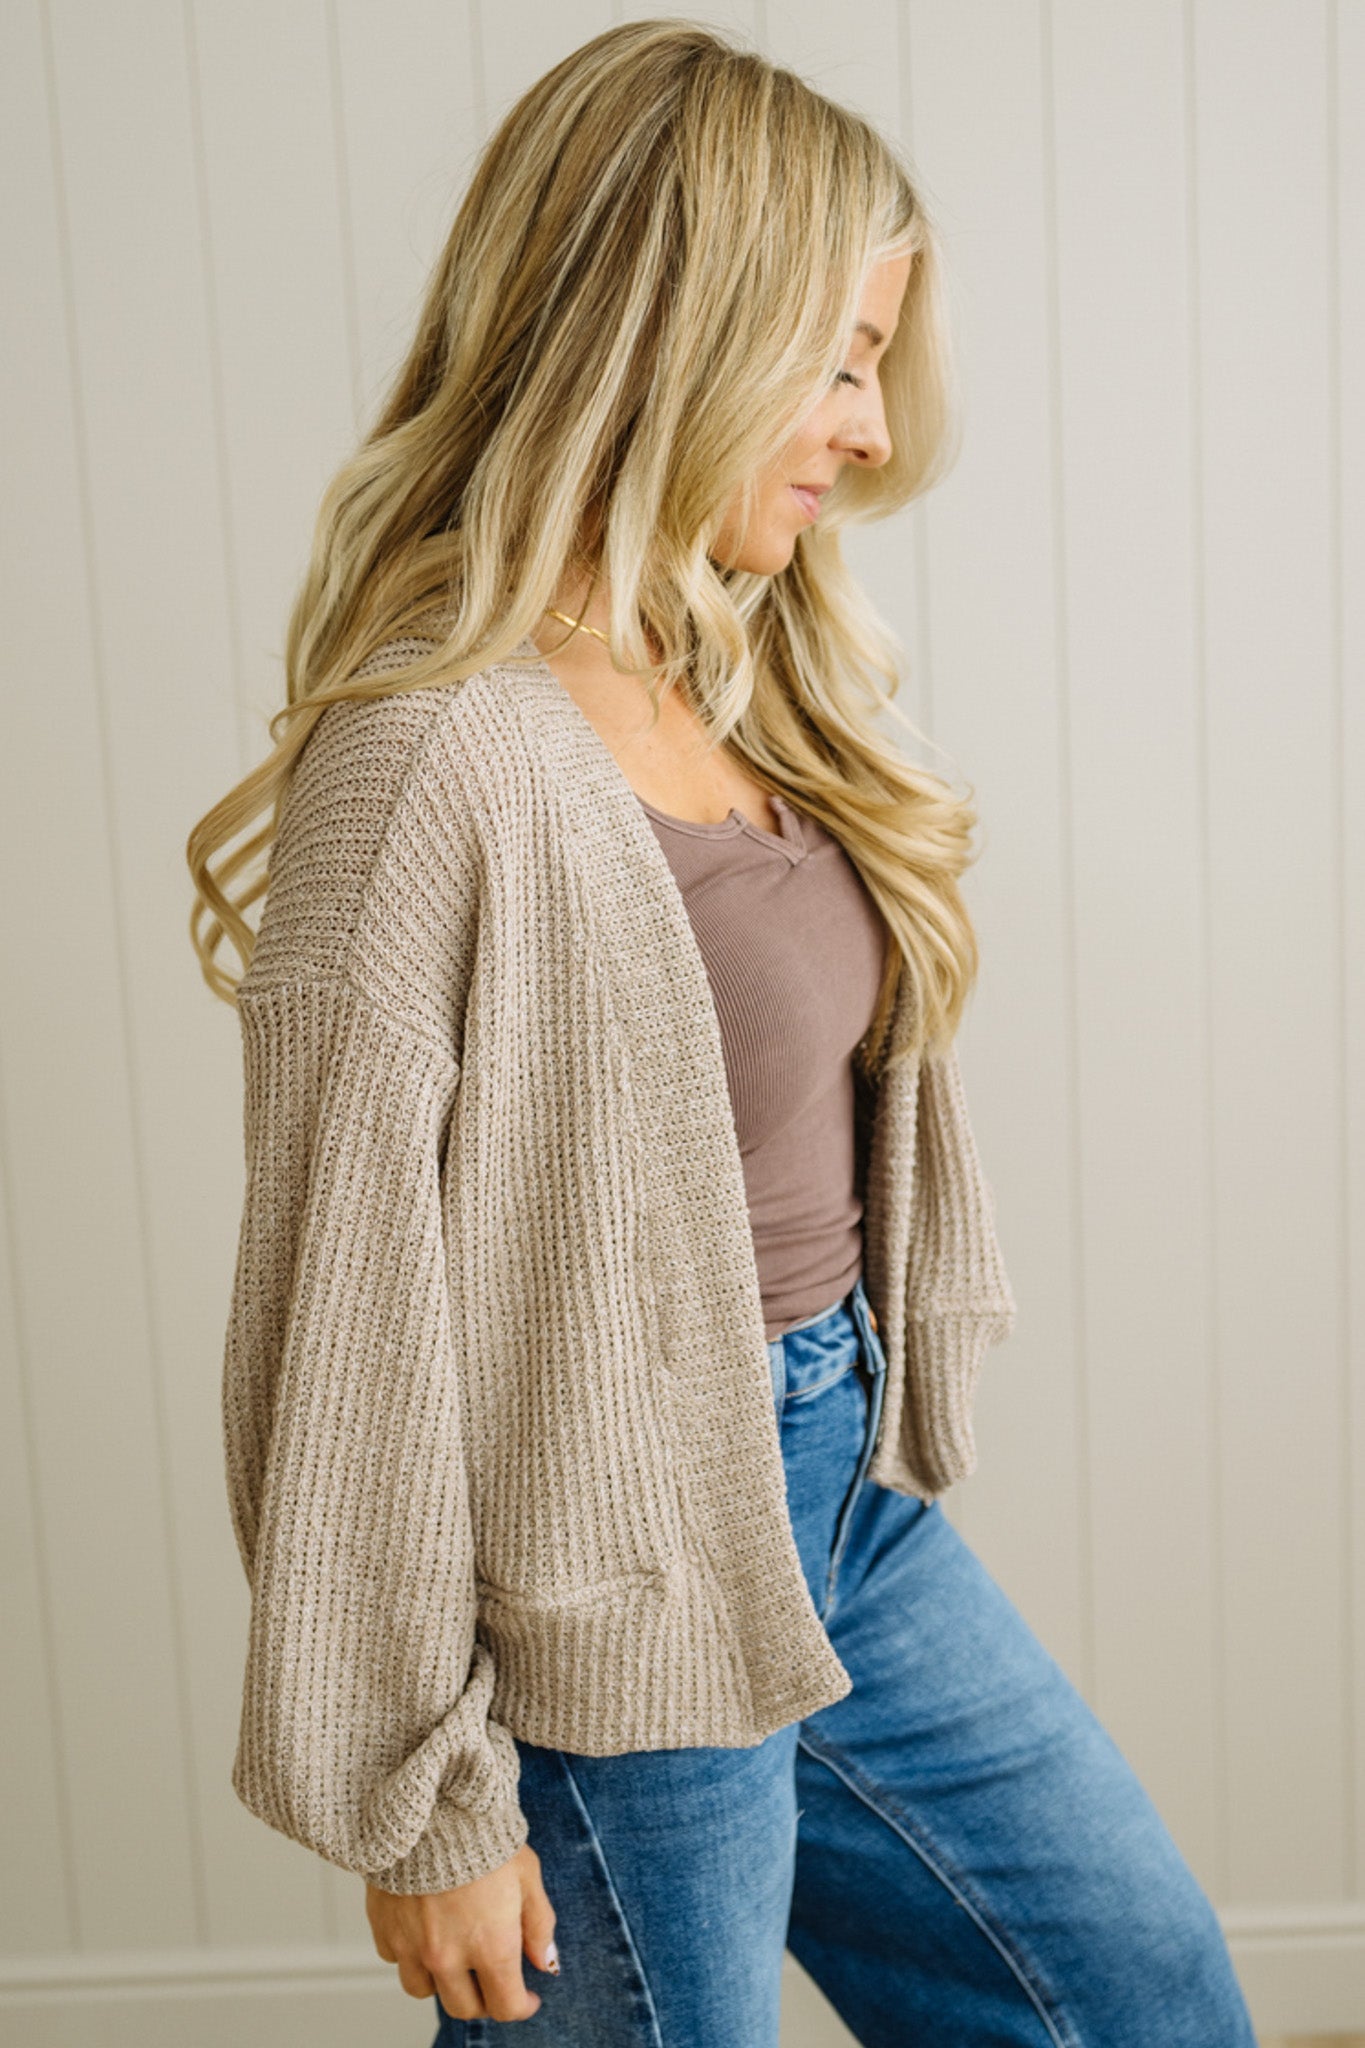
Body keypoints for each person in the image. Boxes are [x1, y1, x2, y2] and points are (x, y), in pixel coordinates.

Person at [187, 19, 1259, 2045]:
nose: (866, 430)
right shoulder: (430, 759)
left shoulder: (734, 670)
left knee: (1134, 1999)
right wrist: (417, 1794)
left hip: (831, 1500)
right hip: (594, 1571)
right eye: (843, 357)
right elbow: (338, 1309)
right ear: (680, 327)